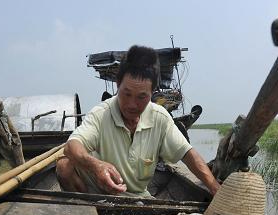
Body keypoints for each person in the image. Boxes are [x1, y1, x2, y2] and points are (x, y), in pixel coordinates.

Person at [57, 45, 220, 197]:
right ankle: (87, 208)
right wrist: (96, 166)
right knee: (64, 167)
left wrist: (214, 187)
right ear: (118, 85)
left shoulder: (160, 117)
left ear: (153, 92)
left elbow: (187, 154)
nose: (132, 105)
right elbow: (71, 147)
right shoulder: (101, 113)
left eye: (141, 97)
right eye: (126, 94)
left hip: (136, 198)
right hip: (96, 194)